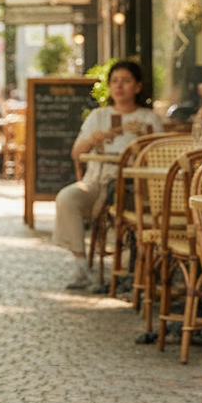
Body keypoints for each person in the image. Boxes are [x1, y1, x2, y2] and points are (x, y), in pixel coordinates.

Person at [53, 60, 162, 289]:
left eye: (126, 81)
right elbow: (76, 153)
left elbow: (159, 154)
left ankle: (131, 269)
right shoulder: (98, 117)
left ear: (138, 87)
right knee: (67, 197)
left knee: (130, 202)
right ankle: (81, 264)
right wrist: (93, 139)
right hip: (96, 180)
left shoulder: (149, 118)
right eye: (115, 81)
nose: (119, 86)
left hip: (137, 186)